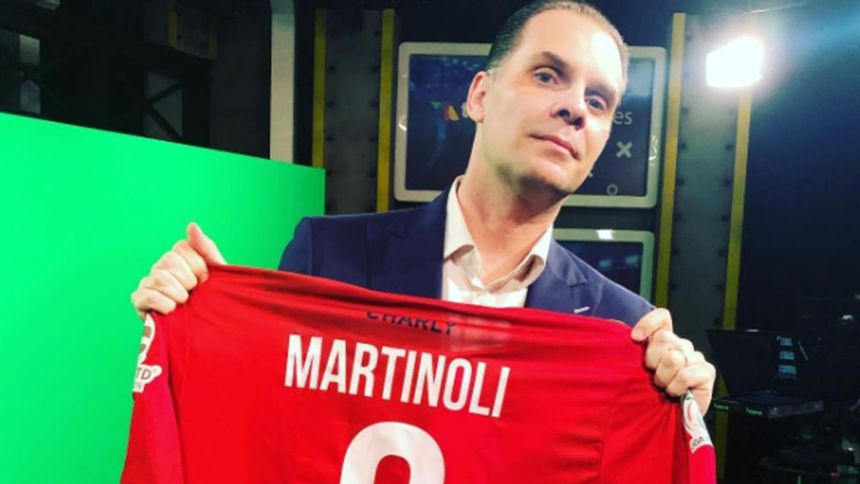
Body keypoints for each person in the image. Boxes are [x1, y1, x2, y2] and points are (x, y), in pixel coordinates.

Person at [131, 0, 716, 413]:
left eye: (599, 101)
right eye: (547, 75)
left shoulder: (625, 331)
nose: (575, 109)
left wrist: (678, 417)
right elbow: (261, 424)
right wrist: (204, 328)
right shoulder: (327, 254)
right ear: (480, 95)